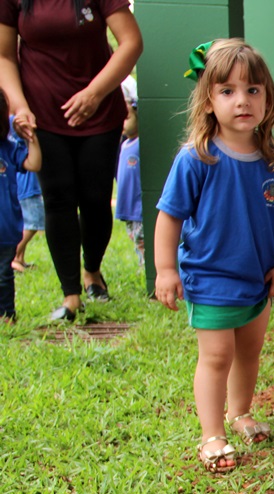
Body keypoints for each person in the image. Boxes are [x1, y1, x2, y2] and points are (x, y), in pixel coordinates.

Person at [154, 39, 274, 473]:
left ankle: (240, 413)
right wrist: (166, 270)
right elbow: (169, 217)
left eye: (253, 90)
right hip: (211, 279)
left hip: (258, 280)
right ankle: (211, 434)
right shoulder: (196, 159)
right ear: (208, 101)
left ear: (268, 99)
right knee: (217, 356)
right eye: (228, 91)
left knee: (250, 351)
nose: (242, 100)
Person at [0, 0, 143, 322]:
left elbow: (131, 42)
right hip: (41, 113)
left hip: (99, 110)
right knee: (58, 199)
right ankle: (71, 296)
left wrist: (94, 94)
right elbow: (4, 55)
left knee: (94, 199)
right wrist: (19, 106)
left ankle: (92, 271)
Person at [0, 96, 42, 323]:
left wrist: (31, 137)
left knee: (3, 275)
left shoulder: (8, 148)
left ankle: (6, 315)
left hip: (5, 230)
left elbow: (34, 164)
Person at [114, 99, 143, 267]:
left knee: (142, 239)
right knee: (134, 237)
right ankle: (142, 263)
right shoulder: (124, 144)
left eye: (127, 118)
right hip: (127, 205)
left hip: (139, 207)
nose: (122, 123)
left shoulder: (142, 143)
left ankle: (146, 266)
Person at [10, 144, 43, 273]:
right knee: (34, 223)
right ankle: (12, 257)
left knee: (25, 223)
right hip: (28, 186)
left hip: (28, 184)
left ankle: (19, 259)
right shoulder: (19, 129)